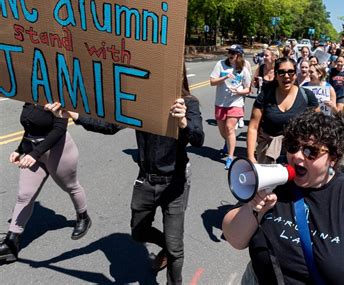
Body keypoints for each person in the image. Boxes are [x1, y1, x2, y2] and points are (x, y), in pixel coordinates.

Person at [44, 69, 204, 284]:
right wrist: (74, 115)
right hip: (146, 180)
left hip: (175, 183)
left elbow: (198, 138)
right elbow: (109, 125)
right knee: (139, 233)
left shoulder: (187, 103)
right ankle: (166, 245)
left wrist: (183, 122)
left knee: (176, 249)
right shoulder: (140, 102)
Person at [223, 111, 344, 284]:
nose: (297, 156)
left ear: (333, 157)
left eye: (311, 151)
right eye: (293, 146)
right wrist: (253, 208)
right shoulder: (274, 181)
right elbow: (235, 239)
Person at [0, 103, 90, 263]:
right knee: (24, 195)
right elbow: (29, 128)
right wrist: (20, 149)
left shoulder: (56, 95)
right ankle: (10, 243)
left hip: (59, 152)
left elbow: (59, 130)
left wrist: (35, 153)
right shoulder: (30, 95)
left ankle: (83, 217)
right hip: (34, 152)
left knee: (71, 187)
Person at [246, 57, 318, 164]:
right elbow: (253, 127)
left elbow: (318, 125)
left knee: (295, 181)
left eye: (290, 72)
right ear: (275, 75)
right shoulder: (265, 96)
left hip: (299, 154)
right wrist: (251, 156)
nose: (286, 76)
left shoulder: (307, 96)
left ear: (295, 73)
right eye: (281, 72)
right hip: (269, 152)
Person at [210, 44, 251, 169]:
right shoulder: (220, 64)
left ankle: (230, 157)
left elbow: (248, 89)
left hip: (236, 102)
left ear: (239, 55)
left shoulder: (243, 69)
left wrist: (238, 91)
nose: (231, 54)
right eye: (229, 52)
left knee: (229, 128)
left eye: (233, 52)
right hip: (220, 103)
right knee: (223, 132)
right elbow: (212, 82)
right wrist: (225, 77)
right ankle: (228, 142)